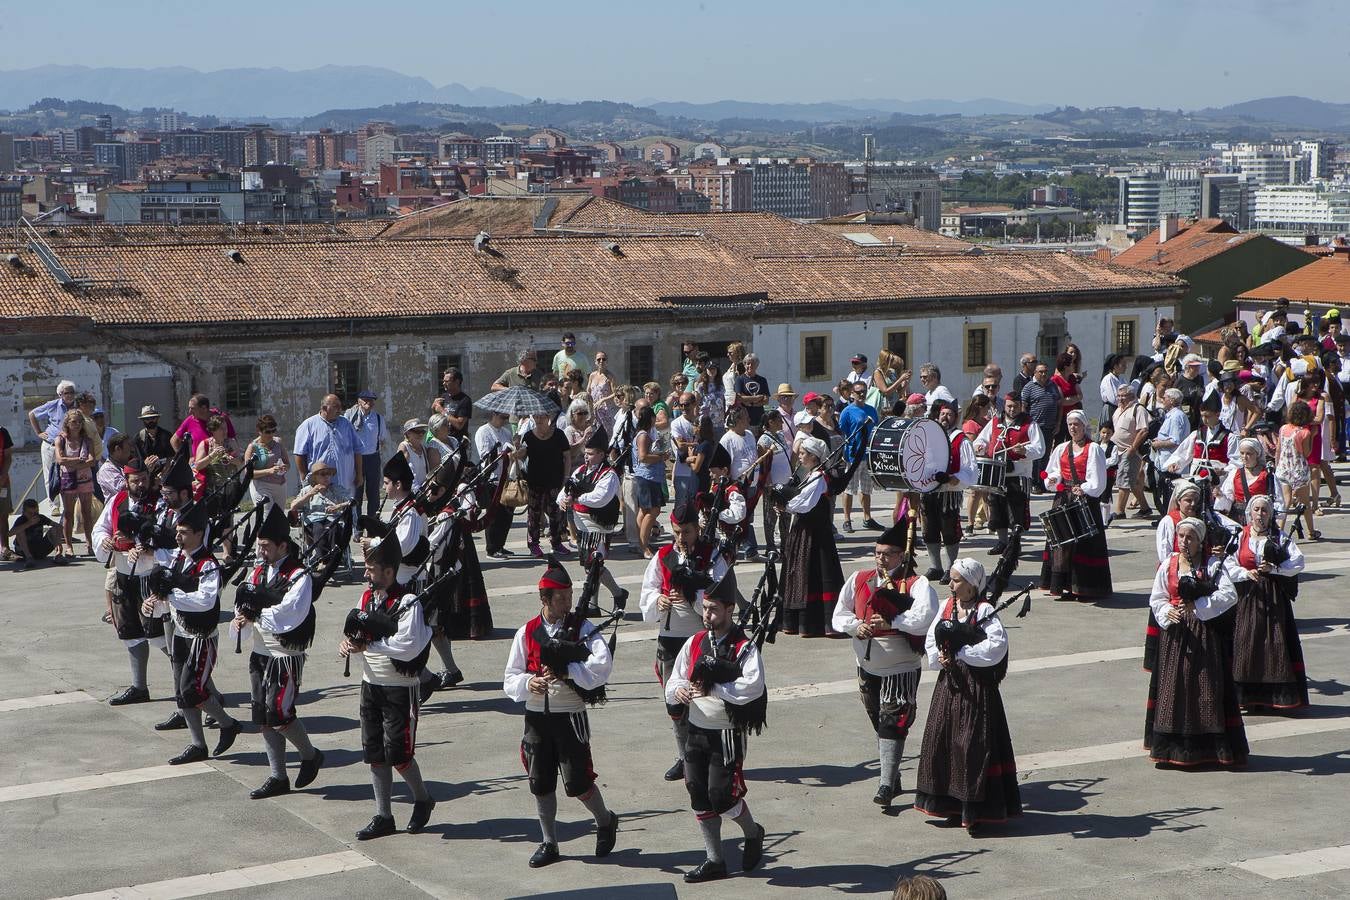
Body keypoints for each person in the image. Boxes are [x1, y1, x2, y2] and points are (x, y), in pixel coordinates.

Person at [503, 560, 619, 868]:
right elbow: (510, 678)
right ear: (544, 600)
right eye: (561, 598)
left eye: (570, 596)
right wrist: (531, 682)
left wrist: (569, 671)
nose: (567, 603)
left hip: (570, 715)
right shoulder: (526, 633)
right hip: (536, 718)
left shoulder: (583, 627)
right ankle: (549, 842)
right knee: (540, 784)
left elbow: (601, 666)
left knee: (578, 784)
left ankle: (605, 820)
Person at [664, 576, 767, 883]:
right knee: (697, 791)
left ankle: (753, 832)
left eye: (712, 610)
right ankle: (714, 859)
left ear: (730, 609)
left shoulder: (744, 647)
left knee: (721, 796)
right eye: (705, 609)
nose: (707, 616)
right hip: (696, 728)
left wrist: (714, 689)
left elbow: (752, 687)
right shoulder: (695, 642)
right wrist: (679, 690)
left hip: (726, 732)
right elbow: (675, 678)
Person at [832, 520, 938, 808]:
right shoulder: (859, 578)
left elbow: (925, 619)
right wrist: (855, 626)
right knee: (877, 719)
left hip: (900, 666)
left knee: (893, 721)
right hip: (866, 663)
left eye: (888, 553)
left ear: (902, 554)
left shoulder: (917, 584)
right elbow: (839, 614)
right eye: (877, 552)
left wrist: (894, 620)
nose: (881, 558)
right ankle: (891, 772)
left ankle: (886, 784)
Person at [339, 537, 436, 840]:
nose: (366, 574)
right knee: (375, 753)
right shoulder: (366, 599)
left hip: (399, 688)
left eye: (371, 569)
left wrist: (371, 644)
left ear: (389, 572)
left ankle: (422, 798)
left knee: (400, 753)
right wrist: (350, 643)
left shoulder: (407, 603)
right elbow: (357, 627)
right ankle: (384, 815)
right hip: (371, 685)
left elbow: (406, 647)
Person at [914, 558, 1020, 833]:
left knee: (971, 746)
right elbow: (931, 636)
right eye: (950, 579)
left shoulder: (984, 610)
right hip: (949, 685)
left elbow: (997, 646)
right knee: (945, 742)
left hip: (976, 689)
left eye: (956, 580)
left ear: (972, 585)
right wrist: (940, 657)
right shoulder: (948, 606)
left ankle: (975, 811)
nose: (950, 585)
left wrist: (962, 653)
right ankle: (952, 806)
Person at [232, 504, 324, 799]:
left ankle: (310, 754)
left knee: (280, 713)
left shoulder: (299, 575)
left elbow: (290, 614)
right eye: (259, 546)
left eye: (266, 546)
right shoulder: (258, 570)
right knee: (262, 716)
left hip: (284, 655)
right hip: (260, 653)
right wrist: (241, 615)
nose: (261, 551)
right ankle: (277, 775)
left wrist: (256, 613)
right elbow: (246, 598)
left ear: (283, 545)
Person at [1144, 517, 1247, 769]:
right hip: (1176, 636)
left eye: (1190, 537)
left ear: (1201, 542)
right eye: (1181, 537)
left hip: (1203, 634)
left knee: (1204, 685)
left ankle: (1208, 748)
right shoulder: (1168, 564)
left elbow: (1229, 595)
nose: (1184, 541)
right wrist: (1167, 611)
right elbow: (1157, 597)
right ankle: (1172, 748)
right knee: (1174, 686)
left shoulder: (1212, 566)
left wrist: (1198, 605)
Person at [147, 502, 242, 766]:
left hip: (202, 637)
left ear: (200, 534)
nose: (178, 536)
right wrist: (155, 600)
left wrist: (171, 594)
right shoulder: (178, 557)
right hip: (180, 633)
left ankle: (227, 722)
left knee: (192, 689)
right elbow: (164, 580)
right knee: (181, 691)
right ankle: (198, 744)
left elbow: (205, 601)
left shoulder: (209, 565)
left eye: (184, 532)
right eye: (178, 531)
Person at [640, 501, 729, 782]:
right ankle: (684, 756)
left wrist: (693, 594)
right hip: (670, 639)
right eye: (677, 532)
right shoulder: (664, 556)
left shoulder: (713, 557)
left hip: (702, 640)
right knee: (676, 703)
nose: (681, 538)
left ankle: (716, 755)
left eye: (687, 532)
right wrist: (660, 601)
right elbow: (647, 595)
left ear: (697, 529)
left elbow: (722, 597)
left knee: (708, 699)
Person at [1222, 495, 1307, 712]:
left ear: (1270, 514)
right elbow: (1228, 562)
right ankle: (1245, 696)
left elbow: (1298, 561)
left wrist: (1276, 569)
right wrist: (1243, 572)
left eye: (1265, 511)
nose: (1260, 514)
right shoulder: (1240, 536)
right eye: (1257, 510)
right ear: (1250, 513)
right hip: (1246, 596)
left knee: (1274, 643)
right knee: (1245, 641)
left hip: (1273, 597)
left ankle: (1274, 697)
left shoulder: (1280, 537)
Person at [93, 462, 165, 704]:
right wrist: (104, 540)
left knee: (161, 637)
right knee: (130, 633)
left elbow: (168, 535)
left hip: (150, 574)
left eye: (144, 478)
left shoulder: (159, 502)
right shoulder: (117, 501)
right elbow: (100, 528)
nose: (141, 484)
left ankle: (194, 689)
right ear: (127, 481)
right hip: (124, 574)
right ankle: (139, 687)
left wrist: (142, 545)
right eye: (136, 480)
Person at [776, 436, 847, 637]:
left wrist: (785, 505)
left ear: (814, 457)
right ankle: (796, 622)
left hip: (815, 535)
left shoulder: (819, 478)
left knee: (814, 574)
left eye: (803, 453)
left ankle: (814, 624)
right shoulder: (810, 475)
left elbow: (804, 504)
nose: (799, 457)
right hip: (804, 532)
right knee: (799, 574)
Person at [1040, 410, 1112, 602]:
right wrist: (1054, 479)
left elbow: (1098, 479)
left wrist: (1086, 488)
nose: (1073, 427)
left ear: (1084, 426)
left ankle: (1084, 587)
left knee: (1084, 544)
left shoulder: (1093, 448)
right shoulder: (1061, 448)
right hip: (1064, 498)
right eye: (1070, 424)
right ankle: (1063, 585)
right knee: (1062, 542)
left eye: (1077, 424)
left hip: (1084, 501)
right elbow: (1053, 471)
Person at [974, 393, 1044, 554]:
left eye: (1015, 406)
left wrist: (1025, 450)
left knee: (1016, 510)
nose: (1012, 409)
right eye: (1009, 406)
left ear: (1021, 406)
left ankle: (1015, 543)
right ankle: (1002, 542)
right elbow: (982, 440)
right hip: (997, 474)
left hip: (1018, 474)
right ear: (1004, 406)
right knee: (997, 509)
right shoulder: (995, 422)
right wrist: (979, 446)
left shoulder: (1030, 424)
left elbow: (1040, 449)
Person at [921, 402, 976, 583]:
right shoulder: (929, 436)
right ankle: (935, 567)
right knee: (929, 530)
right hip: (929, 491)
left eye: (949, 415)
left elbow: (970, 470)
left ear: (956, 418)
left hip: (949, 492)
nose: (945, 417)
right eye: (943, 414)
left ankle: (950, 567)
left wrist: (953, 478)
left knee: (949, 530)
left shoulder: (961, 440)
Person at [518, 412, 571, 558]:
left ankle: (556, 542)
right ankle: (533, 544)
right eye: (536, 417)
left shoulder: (559, 434)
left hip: (555, 481)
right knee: (534, 515)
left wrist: (566, 477)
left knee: (556, 513)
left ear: (548, 418)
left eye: (542, 416)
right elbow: (521, 456)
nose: (539, 419)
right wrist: (517, 447)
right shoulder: (528, 436)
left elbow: (567, 457)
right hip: (535, 482)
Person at [293, 394, 363, 504]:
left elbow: (357, 449)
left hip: (345, 479)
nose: (340, 409)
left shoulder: (346, 424)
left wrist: (359, 474)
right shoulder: (309, 425)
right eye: (336, 406)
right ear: (325, 408)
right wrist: (304, 476)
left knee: (347, 511)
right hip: (321, 483)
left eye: (340, 406)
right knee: (324, 514)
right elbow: (299, 453)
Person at [838, 380, 881, 533]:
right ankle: (847, 519)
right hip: (853, 455)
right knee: (849, 489)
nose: (861, 394)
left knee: (867, 489)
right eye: (858, 392)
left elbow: (876, 429)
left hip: (868, 454)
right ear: (852, 394)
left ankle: (867, 518)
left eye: (863, 391)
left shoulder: (872, 410)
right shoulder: (847, 411)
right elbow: (843, 431)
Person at [54, 409, 96, 560]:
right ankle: (69, 546)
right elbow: (60, 459)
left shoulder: (87, 440)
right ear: (67, 423)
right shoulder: (61, 439)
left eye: (79, 422)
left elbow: (92, 460)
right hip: (68, 480)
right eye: (73, 422)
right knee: (68, 513)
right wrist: (80, 461)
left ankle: (89, 543)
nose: (77, 425)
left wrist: (72, 463)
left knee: (86, 513)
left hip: (85, 479)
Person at [29, 380, 77, 508]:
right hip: (50, 444)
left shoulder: (77, 407)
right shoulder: (53, 405)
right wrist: (39, 432)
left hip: (69, 445)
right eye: (67, 392)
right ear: (61, 394)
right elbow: (32, 414)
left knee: (68, 474)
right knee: (50, 475)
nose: (70, 395)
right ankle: (54, 505)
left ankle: (68, 502)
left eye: (72, 392)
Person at [475, 410, 515, 559]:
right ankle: (492, 548)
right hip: (492, 479)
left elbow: (512, 451)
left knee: (506, 515)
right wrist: (504, 453)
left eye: (506, 417)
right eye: (502, 417)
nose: (505, 420)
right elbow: (485, 456)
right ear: (493, 415)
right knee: (494, 515)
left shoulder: (506, 431)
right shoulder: (483, 431)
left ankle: (500, 545)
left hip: (507, 478)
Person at [1275, 400, 1317, 540]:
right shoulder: (1305, 432)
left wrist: (1277, 465)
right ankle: (1311, 531)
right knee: (1305, 502)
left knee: (1285, 501)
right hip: (1299, 469)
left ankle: (1279, 529)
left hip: (1284, 468)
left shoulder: (1283, 429)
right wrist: (1313, 436)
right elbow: (1306, 453)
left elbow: (1279, 449)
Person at [628, 404, 666, 557]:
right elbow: (643, 457)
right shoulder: (643, 435)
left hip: (648, 476)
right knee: (653, 510)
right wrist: (661, 457)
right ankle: (644, 546)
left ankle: (642, 543)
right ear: (650, 418)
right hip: (647, 476)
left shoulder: (644, 434)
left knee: (644, 510)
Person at [1111, 385, 1154, 521]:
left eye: (1123, 395)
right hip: (1116, 450)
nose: (1120, 398)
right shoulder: (1118, 409)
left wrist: (1133, 448)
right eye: (1119, 395)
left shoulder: (1138, 409)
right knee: (1134, 482)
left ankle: (1119, 511)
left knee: (1123, 480)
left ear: (1132, 395)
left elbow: (1143, 430)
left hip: (1129, 451)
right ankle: (1145, 508)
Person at [346, 389, 387, 523]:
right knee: (356, 494)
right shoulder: (350, 416)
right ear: (359, 401)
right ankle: (357, 527)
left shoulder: (378, 419)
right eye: (366, 400)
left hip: (373, 458)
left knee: (373, 494)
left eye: (371, 400)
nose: (369, 403)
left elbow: (382, 439)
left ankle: (372, 524)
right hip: (356, 458)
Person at [757, 408, 794, 557]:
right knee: (770, 516)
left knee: (786, 515)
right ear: (770, 422)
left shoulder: (780, 435)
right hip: (773, 485)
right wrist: (770, 484)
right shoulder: (763, 440)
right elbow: (764, 465)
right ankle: (770, 546)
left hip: (785, 483)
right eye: (778, 420)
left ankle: (785, 546)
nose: (781, 422)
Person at [1020, 361, 1062, 485]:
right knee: (1035, 457)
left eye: (1045, 371)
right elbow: (1023, 406)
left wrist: (1058, 423)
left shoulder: (1053, 385)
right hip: (1036, 428)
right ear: (1035, 373)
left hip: (1050, 427)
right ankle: (1034, 483)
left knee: (1045, 456)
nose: (1044, 374)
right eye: (1041, 372)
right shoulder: (1029, 387)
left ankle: (1043, 482)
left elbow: (1059, 405)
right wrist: (1026, 425)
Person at [1218, 438, 1275, 525]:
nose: (1244, 457)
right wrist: (1220, 496)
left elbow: (1278, 501)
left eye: (1249, 453)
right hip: (1237, 519)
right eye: (1242, 453)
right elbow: (1229, 500)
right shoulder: (1234, 473)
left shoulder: (1267, 475)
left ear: (1257, 454)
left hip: (1259, 520)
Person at [243, 415, 291, 512]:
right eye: (268, 432)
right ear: (259, 431)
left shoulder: (278, 442)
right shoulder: (252, 447)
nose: (271, 434)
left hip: (279, 485)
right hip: (261, 485)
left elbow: (288, 464)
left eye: (273, 431)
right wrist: (269, 471)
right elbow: (248, 473)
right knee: (266, 516)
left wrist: (284, 467)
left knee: (278, 517)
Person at [192, 415, 243, 499]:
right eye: (221, 429)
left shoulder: (231, 442)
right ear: (213, 430)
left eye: (225, 428)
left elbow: (240, 461)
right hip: (212, 490)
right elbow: (197, 466)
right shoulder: (206, 444)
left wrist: (231, 460)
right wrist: (212, 455)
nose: (225, 431)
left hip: (231, 488)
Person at [11, 498, 60, 569]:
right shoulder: (21, 520)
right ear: (24, 512)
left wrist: (58, 543)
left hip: (39, 548)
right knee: (19, 530)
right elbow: (10, 533)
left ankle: (58, 555)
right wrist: (28, 523)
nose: (33, 516)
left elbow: (59, 527)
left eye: (36, 513)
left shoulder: (41, 518)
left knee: (55, 529)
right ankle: (29, 558)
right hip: (24, 550)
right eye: (30, 513)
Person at [671, 393, 701, 504]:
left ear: (694, 404)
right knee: (681, 505)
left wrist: (688, 445)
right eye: (680, 405)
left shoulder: (701, 421)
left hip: (698, 470)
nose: (683, 408)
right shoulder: (676, 423)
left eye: (686, 405)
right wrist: (695, 445)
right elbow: (680, 446)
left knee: (697, 505)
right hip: (682, 470)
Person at [397, 419, 439, 494]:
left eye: (422, 432)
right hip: (409, 493)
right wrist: (416, 489)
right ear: (408, 433)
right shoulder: (404, 447)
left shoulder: (424, 448)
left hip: (424, 492)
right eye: (417, 432)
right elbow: (403, 471)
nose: (421, 434)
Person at [131, 405, 175, 471]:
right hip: (146, 475)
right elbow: (137, 460)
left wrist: (163, 473)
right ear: (143, 420)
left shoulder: (166, 435)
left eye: (153, 418)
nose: (150, 421)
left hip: (166, 474)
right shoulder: (138, 438)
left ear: (157, 418)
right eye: (147, 419)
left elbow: (171, 456)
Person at [1050, 351, 1082, 443]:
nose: (1073, 365)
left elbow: (1080, 395)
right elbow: (1061, 401)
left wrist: (1070, 399)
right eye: (1071, 364)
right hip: (1062, 417)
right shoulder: (1055, 380)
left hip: (1074, 415)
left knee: (1073, 440)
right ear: (1065, 366)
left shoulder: (1072, 378)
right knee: (1059, 441)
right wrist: (1074, 398)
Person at [733, 353, 770, 431]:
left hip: (759, 418)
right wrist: (757, 397)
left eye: (752, 364)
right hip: (745, 419)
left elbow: (766, 400)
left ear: (756, 365)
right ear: (744, 365)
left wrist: (751, 403)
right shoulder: (740, 379)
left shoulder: (762, 380)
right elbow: (739, 398)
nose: (750, 366)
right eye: (747, 364)